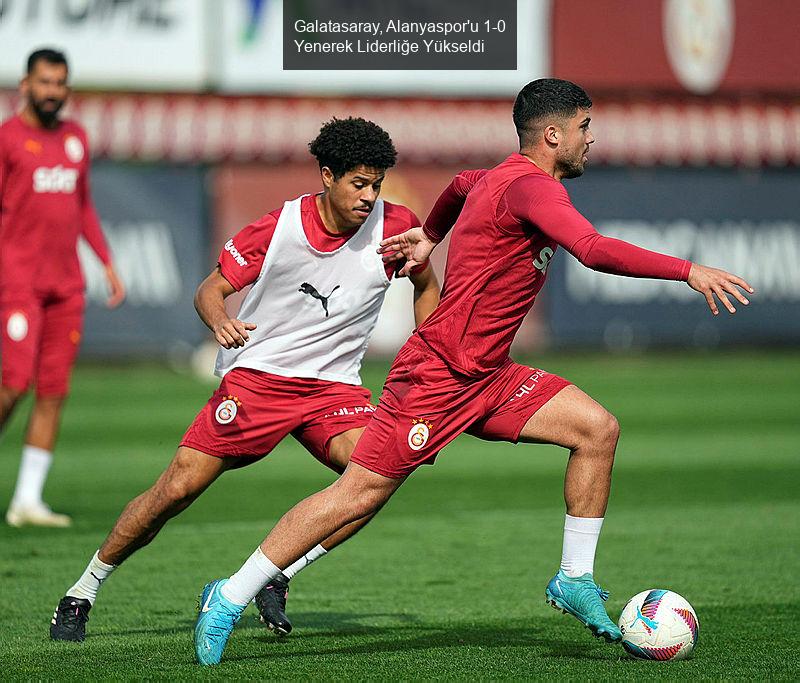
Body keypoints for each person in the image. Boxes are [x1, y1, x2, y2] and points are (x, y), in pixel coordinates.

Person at [192, 79, 756, 665]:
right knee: (358, 493)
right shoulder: (534, 190)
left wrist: (428, 236)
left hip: (490, 375)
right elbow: (590, 249)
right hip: (438, 374)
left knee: (597, 429)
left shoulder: (499, 177)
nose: (592, 140)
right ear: (554, 134)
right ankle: (228, 597)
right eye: (585, 128)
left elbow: (462, 185)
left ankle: (574, 579)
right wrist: (686, 270)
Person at [50, 116, 440, 642]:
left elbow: (425, 284)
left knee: (377, 476)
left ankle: (274, 574)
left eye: (376, 184)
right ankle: (83, 590)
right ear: (326, 175)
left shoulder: (396, 227)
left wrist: (428, 361)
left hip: (334, 390)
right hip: (259, 379)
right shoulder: (276, 229)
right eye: (358, 183)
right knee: (176, 490)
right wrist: (220, 321)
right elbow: (209, 290)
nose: (370, 196)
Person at [0, 48, 125, 528]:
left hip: (66, 285)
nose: (54, 91)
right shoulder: (9, 139)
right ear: (25, 84)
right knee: (13, 385)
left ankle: (27, 501)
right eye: (45, 82)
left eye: (61, 83)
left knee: (53, 391)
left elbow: (83, 205)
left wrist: (107, 261)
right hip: (18, 283)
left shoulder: (75, 137)